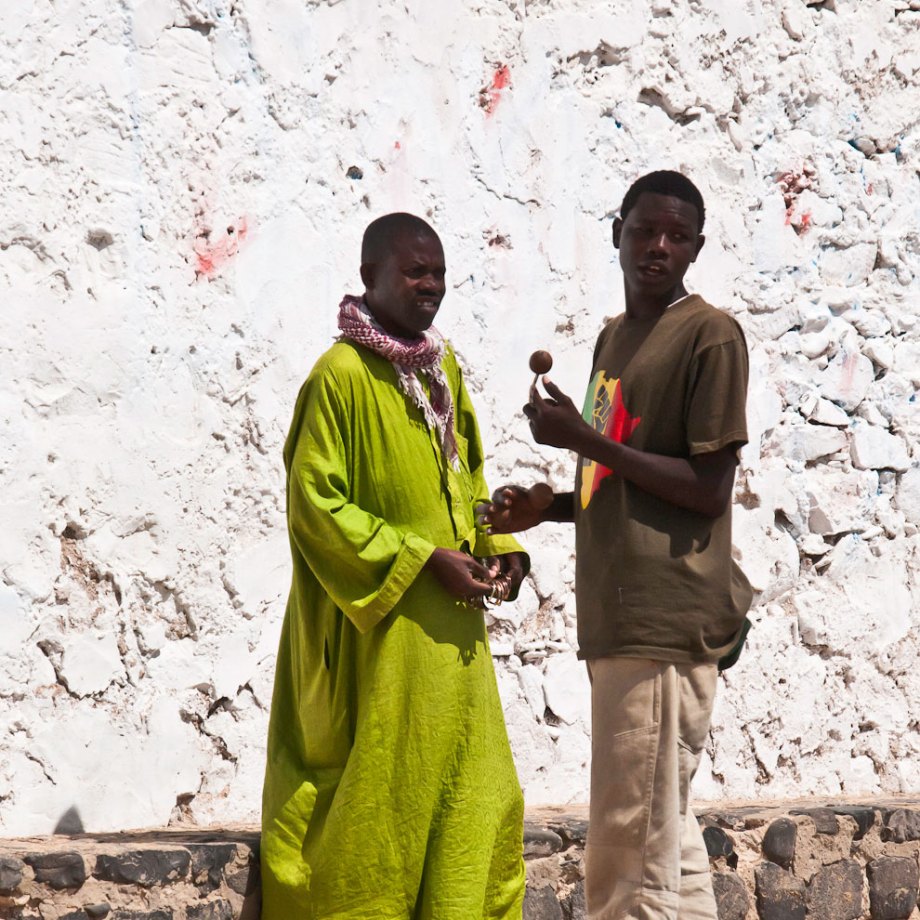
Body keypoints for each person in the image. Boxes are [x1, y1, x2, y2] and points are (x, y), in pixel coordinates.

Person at [479, 171, 752, 920]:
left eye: (676, 236)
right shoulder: (613, 338)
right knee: (664, 845)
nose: (658, 247)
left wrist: (586, 439)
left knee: (631, 857)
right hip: (619, 616)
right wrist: (553, 504)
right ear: (617, 233)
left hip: (663, 620)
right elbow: (619, 479)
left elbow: (705, 488)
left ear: (697, 247)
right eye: (643, 231)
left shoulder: (710, 335)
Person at [261, 212, 528, 920]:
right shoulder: (339, 378)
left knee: (474, 802)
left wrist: (498, 549)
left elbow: (468, 480)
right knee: (375, 818)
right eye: (416, 272)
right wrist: (417, 559)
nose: (431, 285)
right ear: (369, 275)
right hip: (376, 646)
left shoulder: (443, 372)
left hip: (453, 653)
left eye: (438, 272)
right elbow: (315, 505)